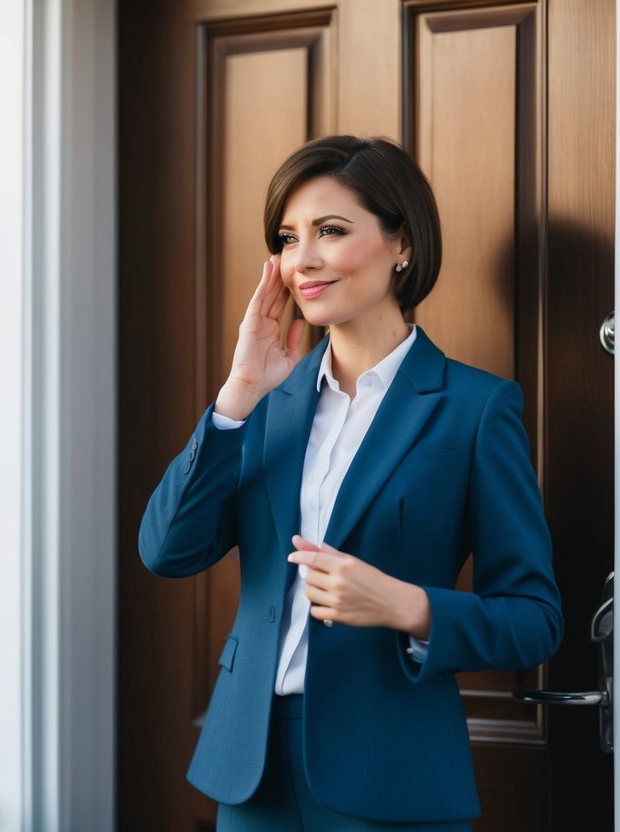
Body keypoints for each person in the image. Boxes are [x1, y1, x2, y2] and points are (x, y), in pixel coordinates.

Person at [138, 135, 563, 830]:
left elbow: (534, 620)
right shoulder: (263, 405)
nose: (300, 259)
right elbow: (166, 550)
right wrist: (236, 395)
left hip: (391, 775)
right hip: (252, 771)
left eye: (329, 231)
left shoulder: (475, 408)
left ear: (402, 244)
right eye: (286, 237)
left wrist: (406, 605)